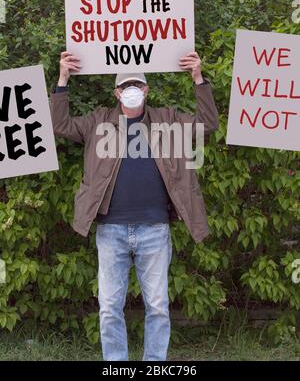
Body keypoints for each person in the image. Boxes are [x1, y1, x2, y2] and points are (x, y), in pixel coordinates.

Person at [50, 51, 219, 361]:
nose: (131, 90)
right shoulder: (98, 121)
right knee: (109, 307)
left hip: (154, 229)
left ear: (146, 90)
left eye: (137, 85)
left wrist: (198, 77)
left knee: (158, 307)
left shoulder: (168, 119)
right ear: (117, 92)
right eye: (125, 85)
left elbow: (208, 124)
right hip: (110, 229)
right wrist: (63, 79)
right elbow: (60, 125)